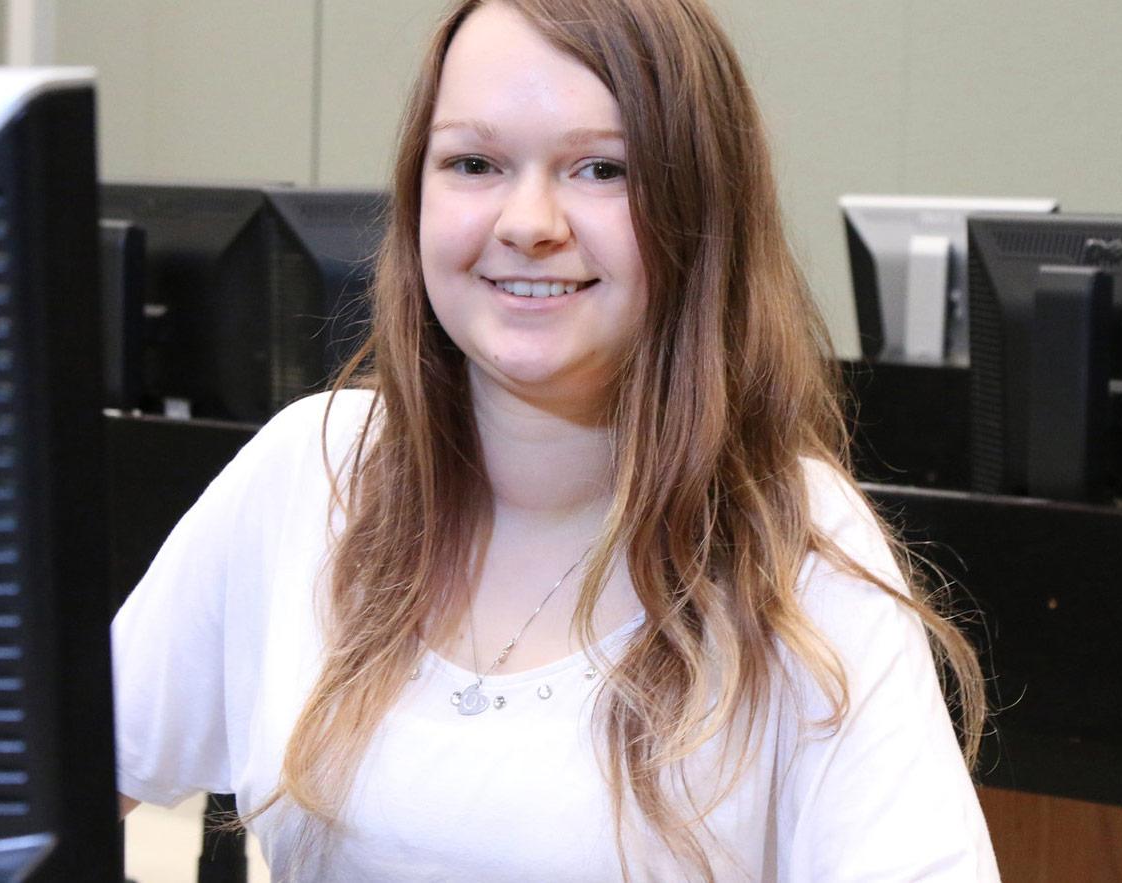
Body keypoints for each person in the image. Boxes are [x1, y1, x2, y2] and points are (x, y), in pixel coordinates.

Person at [110, 0, 998, 878]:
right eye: (473, 162)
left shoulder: (797, 543)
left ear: (700, 208)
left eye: (602, 169)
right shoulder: (311, 468)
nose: (528, 222)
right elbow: (41, 786)